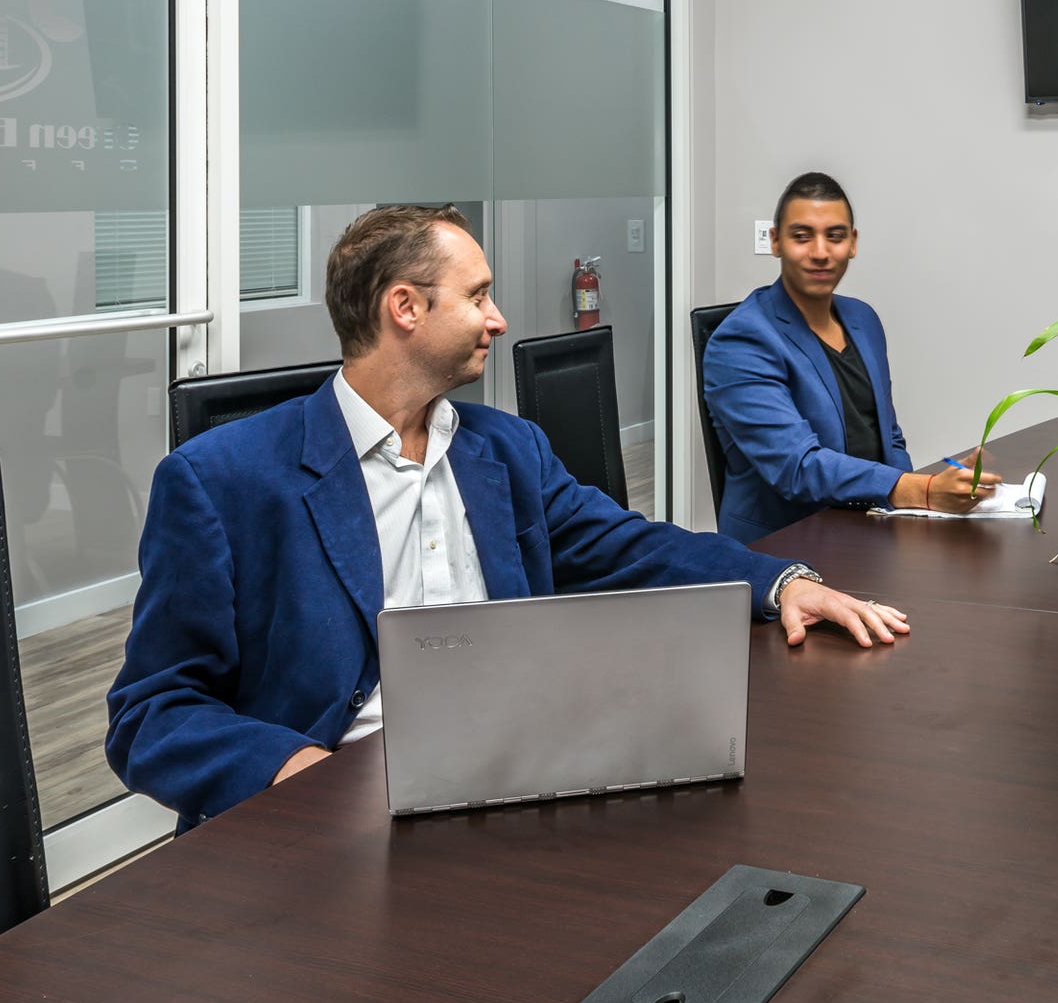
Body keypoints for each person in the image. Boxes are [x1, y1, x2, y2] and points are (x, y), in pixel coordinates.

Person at [107, 203, 909, 830]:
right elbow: (152, 713)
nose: (498, 318)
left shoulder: (507, 450)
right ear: (404, 308)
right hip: (325, 823)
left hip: (509, 775)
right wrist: (291, 768)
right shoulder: (222, 480)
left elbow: (630, 545)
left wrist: (781, 584)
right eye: (479, 295)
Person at [701, 172, 999, 544]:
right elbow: (798, 468)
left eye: (835, 236)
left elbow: (888, 437)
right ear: (776, 241)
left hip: (869, 529)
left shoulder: (863, 319)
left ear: (853, 243)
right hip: (785, 549)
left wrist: (913, 514)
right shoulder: (741, 341)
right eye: (802, 236)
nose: (821, 252)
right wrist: (920, 490)